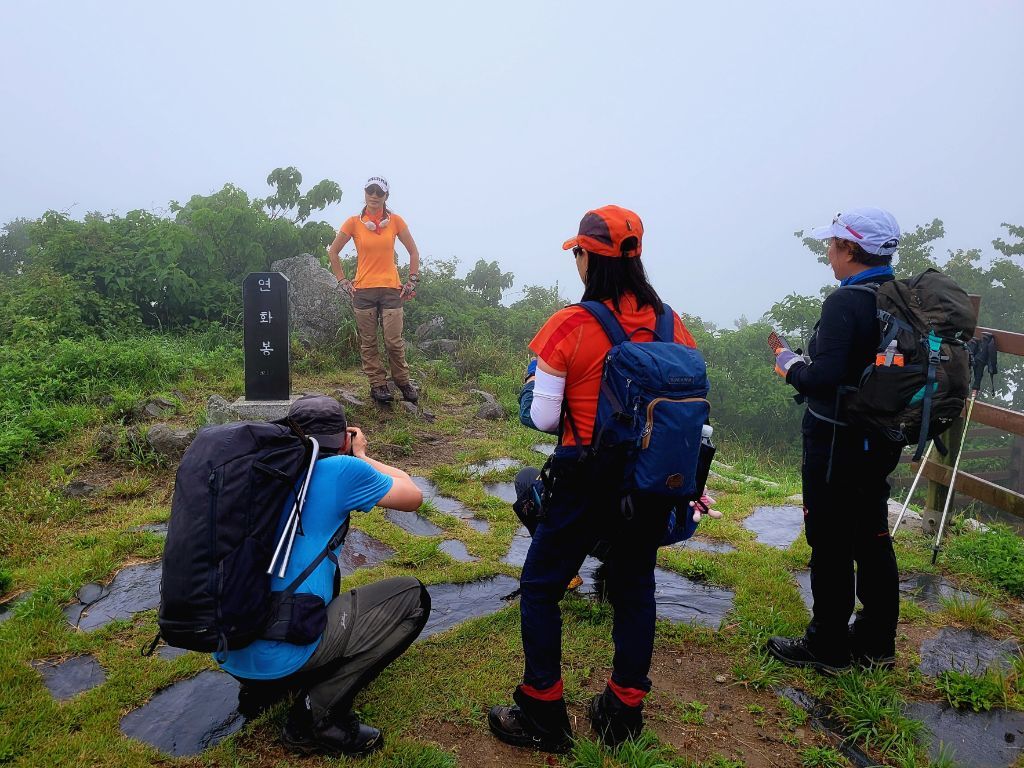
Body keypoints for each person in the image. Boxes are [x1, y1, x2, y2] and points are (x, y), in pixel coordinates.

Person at [488, 205, 700, 752]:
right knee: (635, 591)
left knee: (541, 588)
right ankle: (623, 712)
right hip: (648, 483)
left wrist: (531, 387)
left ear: (589, 258)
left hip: (583, 481)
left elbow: (543, 418)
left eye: (578, 251)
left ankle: (542, 710)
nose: (576, 260)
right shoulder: (671, 323)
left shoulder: (570, 324)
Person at [218, 394, 429, 756]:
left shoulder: (259, 466)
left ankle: (263, 687)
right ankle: (316, 717)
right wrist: (361, 455)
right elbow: (412, 494)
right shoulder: (341, 470)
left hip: (229, 643)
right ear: (343, 438)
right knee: (413, 598)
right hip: (281, 652)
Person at [767, 207, 903, 674]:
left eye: (832, 243)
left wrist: (789, 365)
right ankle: (877, 644)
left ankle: (826, 644)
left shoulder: (846, 302)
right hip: (880, 438)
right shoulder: (897, 298)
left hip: (836, 442)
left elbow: (822, 378)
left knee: (829, 540)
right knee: (872, 534)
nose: (828, 251)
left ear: (849, 248)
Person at [327, 176, 421, 404]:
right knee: (368, 342)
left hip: (391, 290)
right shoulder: (353, 223)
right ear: (365, 193)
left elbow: (413, 252)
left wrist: (412, 280)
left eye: (379, 192)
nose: (374, 196)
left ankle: (402, 381)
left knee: (393, 341)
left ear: (386, 196)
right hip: (363, 290)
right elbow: (333, 252)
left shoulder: (396, 221)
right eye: (370, 191)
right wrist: (342, 280)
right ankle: (378, 385)